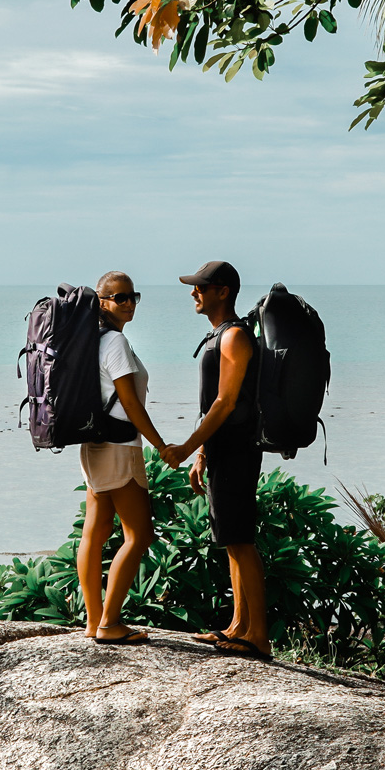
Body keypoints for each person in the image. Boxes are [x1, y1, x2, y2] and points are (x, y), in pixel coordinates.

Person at [163, 261, 272, 661]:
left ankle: (258, 636)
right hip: (224, 449)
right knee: (230, 539)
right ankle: (237, 627)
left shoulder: (235, 338)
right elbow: (215, 404)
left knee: (241, 540)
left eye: (201, 287)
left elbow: (226, 403)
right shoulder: (219, 336)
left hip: (240, 448)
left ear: (222, 292)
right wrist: (203, 455)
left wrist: (186, 447)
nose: (194, 293)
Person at [76, 270, 164, 645]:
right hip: (119, 448)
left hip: (95, 446)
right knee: (140, 534)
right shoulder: (114, 343)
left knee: (95, 533)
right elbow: (129, 402)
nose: (128, 303)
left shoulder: (91, 341)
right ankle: (110, 622)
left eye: (133, 296)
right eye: (119, 297)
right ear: (101, 301)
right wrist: (162, 446)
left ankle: (94, 622)